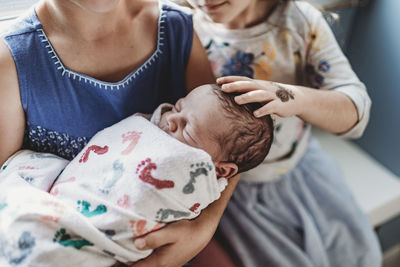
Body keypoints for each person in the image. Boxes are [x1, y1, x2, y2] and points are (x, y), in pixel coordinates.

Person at [0, 0, 240, 266]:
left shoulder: (175, 29)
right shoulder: (12, 58)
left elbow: (229, 141)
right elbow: (9, 188)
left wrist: (202, 229)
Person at [161, 0, 381, 266]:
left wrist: (294, 98)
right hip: (234, 196)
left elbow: (355, 109)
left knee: (355, 254)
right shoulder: (181, 26)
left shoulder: (299, 23)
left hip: (301, 172)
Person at [0, 84, 274, 266]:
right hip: (66, 196)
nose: (170, 119)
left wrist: (204, 227)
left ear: (220, 170)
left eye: (187, 129)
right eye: (178, 107)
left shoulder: (201, 172)